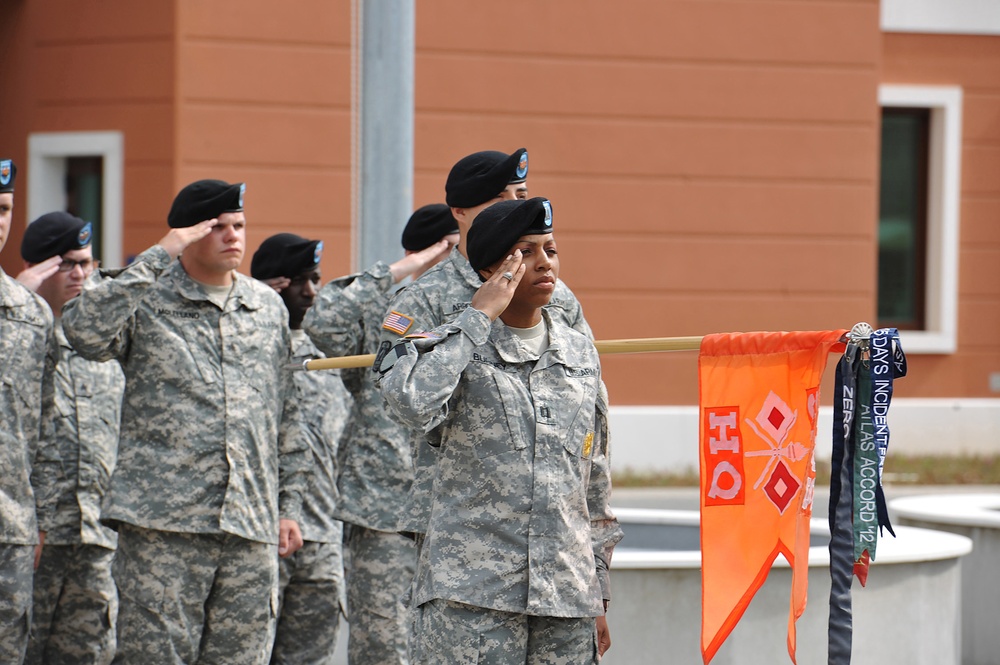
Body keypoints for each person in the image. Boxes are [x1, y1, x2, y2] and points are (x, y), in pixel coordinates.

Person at [61, 179, 308, 664]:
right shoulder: (145, 300)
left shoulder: (266, 307)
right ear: (187, 235)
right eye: (217, 227)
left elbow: (287, 412)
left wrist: (289, 505)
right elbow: (84, 332)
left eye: (238, 225)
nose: (233, 236)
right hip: (162, 528)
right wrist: (159, 254)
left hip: (249, 526)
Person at [376, 197, 622, 664]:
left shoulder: (578, 351)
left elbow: (594, 480)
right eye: (526, 252)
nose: (545, 263)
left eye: (550, 249)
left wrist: (597, 589)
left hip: (565, 596)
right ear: (491, 268)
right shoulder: (452, 345)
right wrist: (476, 319)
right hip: (472, 594)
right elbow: (410, 403)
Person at [375, 148, 592, 545]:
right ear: (459, 211)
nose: (515, 207)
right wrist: (474, 320)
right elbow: (404, 399)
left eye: (521, 196)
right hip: (457, 517)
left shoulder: (558, 297)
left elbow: (589, 407)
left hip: (549, 519)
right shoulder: (423, 299)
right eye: (501, 199)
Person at [301, 203, 457, 665]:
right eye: (450, 250)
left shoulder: (482, 314)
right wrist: (405, 268)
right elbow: (322, 319)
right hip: (384, 511)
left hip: (454, 515)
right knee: (383, 649)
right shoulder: (386, 313)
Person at [18, 212, 125, 665]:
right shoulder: (15, 334)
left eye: (86, 262)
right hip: (30, 538)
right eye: (67, 264)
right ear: (39, 268)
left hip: (96, 538)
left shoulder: (109, 341)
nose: (80, 274)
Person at [250, 233, 353, 665]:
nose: (311, 293)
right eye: (299, 282)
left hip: (322, 536)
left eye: (316, 280)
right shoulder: (248, 349)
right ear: (272, 286)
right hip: (260, 532)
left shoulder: (328, 357)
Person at [0, 159, 58, 665]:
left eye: (3, 210)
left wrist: (38, 518)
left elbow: (44, 424)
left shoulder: (30, 312)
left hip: (10, 527)